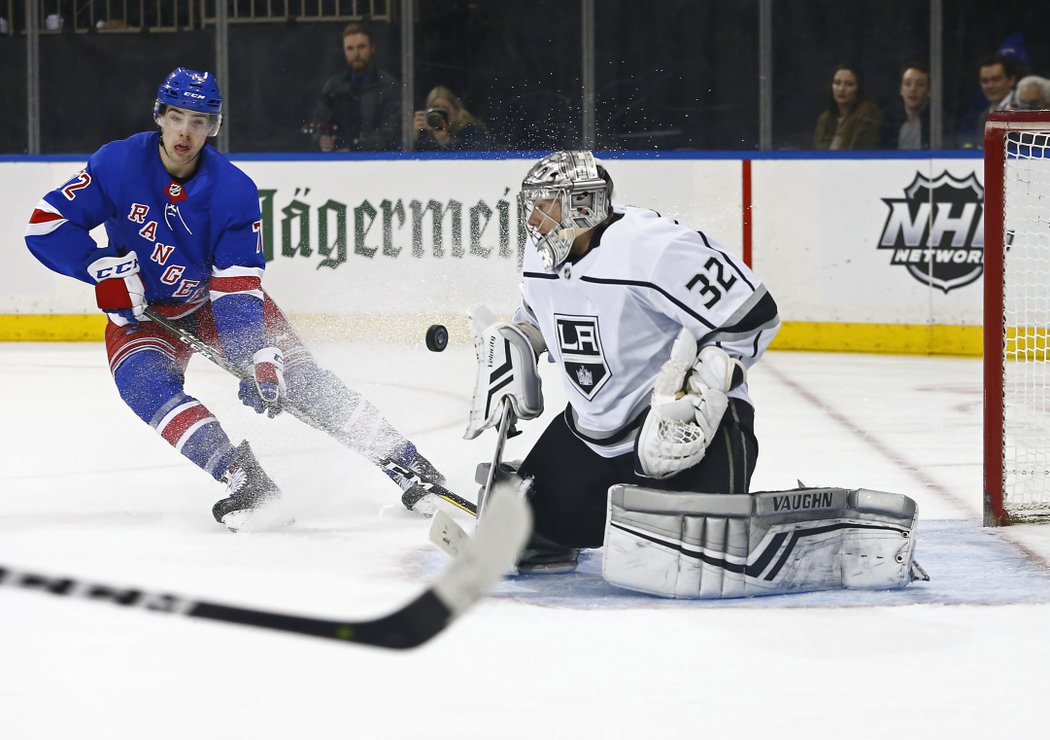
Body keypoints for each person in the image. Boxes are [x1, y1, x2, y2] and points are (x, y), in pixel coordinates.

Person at [23, 67, 444, 531]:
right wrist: (101, 268)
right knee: (143, 386)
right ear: (160, 116)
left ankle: (408, 463)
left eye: (200, 120)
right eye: (178, 117)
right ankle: (244, 479)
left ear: (213, 126)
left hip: (213, 305)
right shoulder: (116, 164)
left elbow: (236, 289)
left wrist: (257, 355)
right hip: (143, 312)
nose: (186, 131)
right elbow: (45, 225)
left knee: (302, 380)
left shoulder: (234, 191)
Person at [464, 151, 780, 572]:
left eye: (546, 204)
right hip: (593, 432)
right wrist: (519, 343)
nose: (533, 218)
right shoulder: (539, 255)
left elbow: (752, 315)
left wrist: (699, 397)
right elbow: (539, 316)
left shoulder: (653, 248)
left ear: (583, 204)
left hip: (685, 427)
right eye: (532, 205)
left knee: (696, 558)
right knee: (527, 537)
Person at [307, 23, 400, 152]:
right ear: (344, 51)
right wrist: (321, 139)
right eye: (350, 48)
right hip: (338, 163)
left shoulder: (388, 86)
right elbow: (318, 122)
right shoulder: (333, 87)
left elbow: (390, 132)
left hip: (377, 163)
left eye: (361, 47)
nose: (356, 54)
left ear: (372, 48)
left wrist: (355, 149)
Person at [813, 63, 884, 150]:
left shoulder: (868, 114)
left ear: (858, 88)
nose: (841, 89)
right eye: (837, 83)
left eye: (849, 84)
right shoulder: (824, 119)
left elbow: (859, 154)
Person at [413, 86, 491, 151]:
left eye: (445, 109)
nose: (440, 115)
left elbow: (479, 152)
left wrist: (447, 142)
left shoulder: (471, 130)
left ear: (456, 110)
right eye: (435, 109)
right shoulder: (428, 134)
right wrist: (416, 135)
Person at [884, 62, 931, 150]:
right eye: (907, 83)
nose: (913, 89)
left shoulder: (939, 124)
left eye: (920, 85)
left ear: (929, 91)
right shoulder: (889, 123)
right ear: (901, 89)